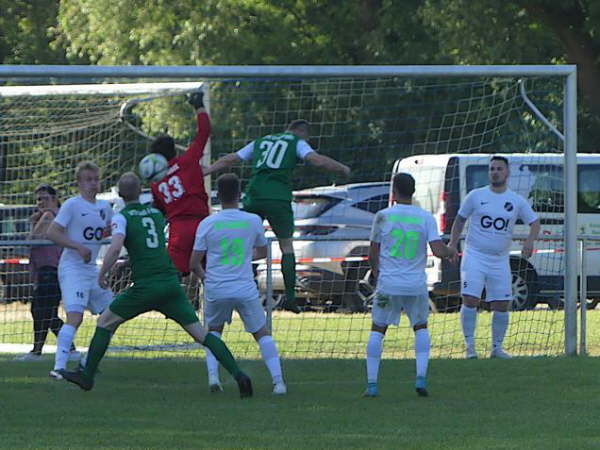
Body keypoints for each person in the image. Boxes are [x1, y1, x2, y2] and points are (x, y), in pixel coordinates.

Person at [60, 172, 253, 398]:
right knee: (202, 334)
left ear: (120, 195)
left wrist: (103, 273)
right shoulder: (155, 214)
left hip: (146, 286)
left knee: (105, 322)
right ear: (139, 189)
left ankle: (87, 376)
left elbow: (114, 248)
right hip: (170, 283)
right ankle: (239, 375)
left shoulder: (122, 216)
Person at [206, 120, 351, 313]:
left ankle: (229, 285)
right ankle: (290, 297)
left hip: (254, 195)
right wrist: (341, 168)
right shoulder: (296, 141)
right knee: (286, 246)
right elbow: (316, 160)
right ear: (302, 133)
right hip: (278, 198)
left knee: (240, 240)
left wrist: (208, 170)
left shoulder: (261, 141)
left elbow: (232, 158)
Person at [189, 173, 286, 395]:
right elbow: (262, 251)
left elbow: (193, 262)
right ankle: (279, 382)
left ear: (218, 195)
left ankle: (214, 379)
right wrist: (243, 255)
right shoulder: (252, 220)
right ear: (239, 194)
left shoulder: (208, 223)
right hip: (244, 287)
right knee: (262, 333)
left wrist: (205, 277)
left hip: (216, 287)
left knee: (213, 333)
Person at [363, 173, 456, 398]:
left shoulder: (383, 217)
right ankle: (420, 378)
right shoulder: (425, 218)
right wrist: (451, 250)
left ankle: (372, 385)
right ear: (414, 191)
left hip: (388, 286)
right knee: (420, 327)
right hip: (415, 286)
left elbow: (372, 253)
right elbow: (438, 250)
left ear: (393, 191)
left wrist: (378, 274)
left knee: (378, 329)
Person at [448, 155, 540, 359]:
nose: (495, 172)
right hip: (475, 255)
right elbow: (460, 219)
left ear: (507, 173)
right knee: (471, 298)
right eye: (491, 169)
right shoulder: (476, 195)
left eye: (499, 169)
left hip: (499, 259)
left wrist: (529, 241)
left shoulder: (515, 200)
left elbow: (534, 222)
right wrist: (453, 244)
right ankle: (470, 347)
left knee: (502, 303)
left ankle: (497, 348)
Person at [45, 161, 113, 379]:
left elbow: (103, 234)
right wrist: (77, 246)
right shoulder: (72, 205)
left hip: (92, 269)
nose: (93, 184)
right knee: (75, 316)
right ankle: (59, 367)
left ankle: (87, 362)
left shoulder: (105, 208)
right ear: (79, 183)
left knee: (113, 314)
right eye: (88, 180)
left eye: (95, 179)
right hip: (72, 267)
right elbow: (52, 233)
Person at [149, 90, 211, 276]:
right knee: (213, 270)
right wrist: (199, 107)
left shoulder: (155, 183)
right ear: (174, 149)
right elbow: (204, 133)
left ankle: (172, 304)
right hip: (203, 223)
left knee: (173, 275)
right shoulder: (189, 161)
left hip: (179, 230)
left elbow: (159, 209)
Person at [14, 184, 77, 361]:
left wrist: (37, 221)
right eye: (38, 199)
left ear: (55, 198)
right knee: (46, 313)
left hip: (51, 270)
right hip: (49, 270)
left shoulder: (50, 216)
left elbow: (32, 239)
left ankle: (39, 351)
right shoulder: (56, 216)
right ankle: (66, 349)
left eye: (45, 198)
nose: (41, 202)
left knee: (43, 311)